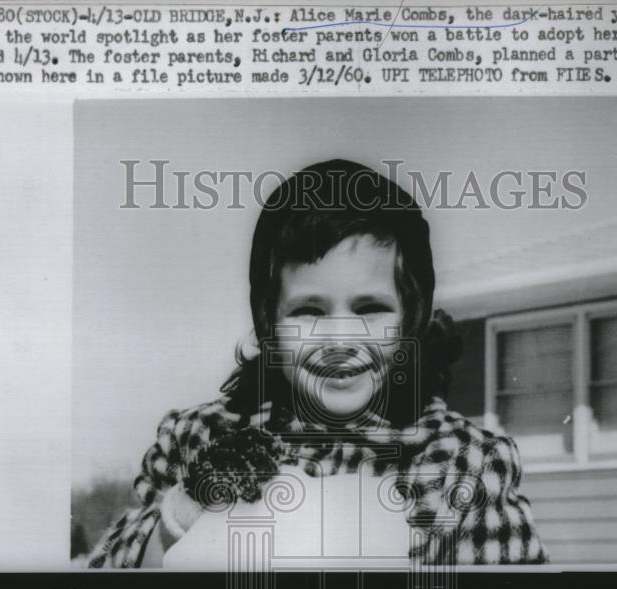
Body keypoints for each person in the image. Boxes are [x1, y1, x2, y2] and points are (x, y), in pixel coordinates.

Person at [87, 159, 548, 568]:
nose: (340, 340)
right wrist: (184, 510)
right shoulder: (200, 437)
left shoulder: (463, 462)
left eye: (370, 309)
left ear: (413, 318)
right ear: (269, 322)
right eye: (309, 311)